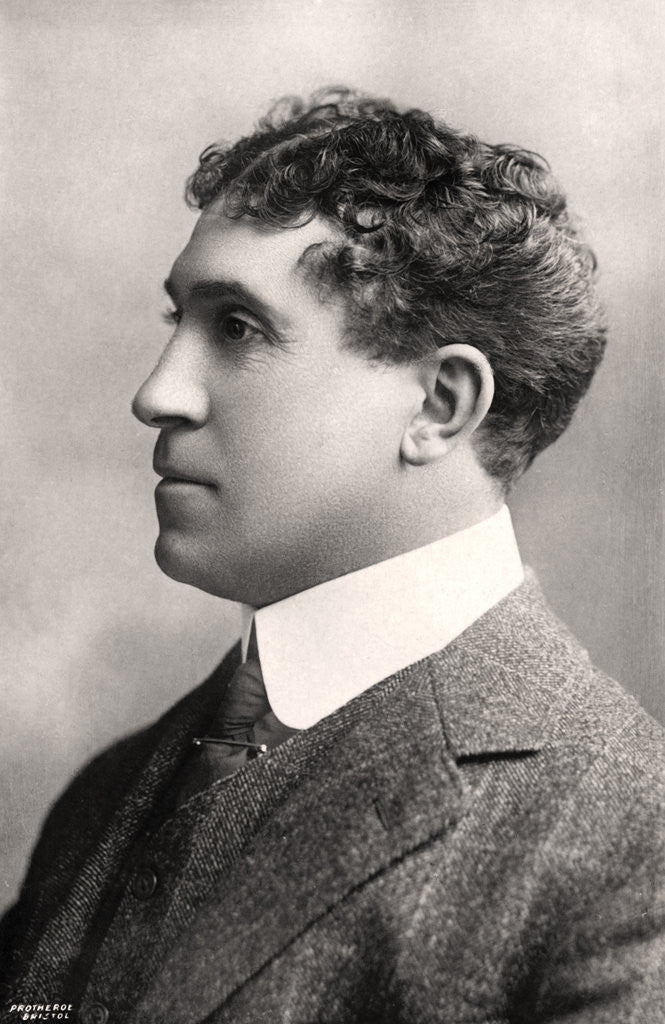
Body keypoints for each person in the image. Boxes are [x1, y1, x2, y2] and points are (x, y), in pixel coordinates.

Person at [2, 88, 664, 1024]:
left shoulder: (627, 845)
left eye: (238, 328)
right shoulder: (110, 792)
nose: (157, 394)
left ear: (438, 406)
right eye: (177, 321)